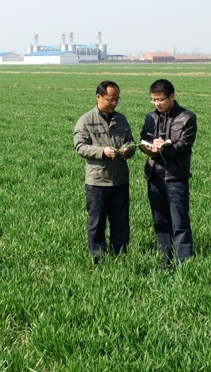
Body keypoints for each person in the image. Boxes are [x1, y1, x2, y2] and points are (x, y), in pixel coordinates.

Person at [74, 80, 136, 263]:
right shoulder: (86, 120)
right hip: (97, 181)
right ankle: (98, 258)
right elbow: (79, 146)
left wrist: (128, 150)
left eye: (117, 99)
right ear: (98, 97)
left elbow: (131, 142)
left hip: (120, 180)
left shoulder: (121, 119)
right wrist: (102, 152)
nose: (114, 103)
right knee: (97, 223)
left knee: (121, 222)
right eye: (111, 99)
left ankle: (121, 256)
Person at [138, 79, 197, 267]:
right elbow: (143, 138)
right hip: (154, 175)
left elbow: (184, 144)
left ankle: (184, 262)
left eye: (160, 99)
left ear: (172, 96)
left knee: (180, 221)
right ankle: (166, 259)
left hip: (175, 176)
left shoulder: (187, 117)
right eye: (153, 100)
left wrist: (163, 148)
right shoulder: (150, 118)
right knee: (160, 220)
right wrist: (148, 146)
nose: (156, 103)